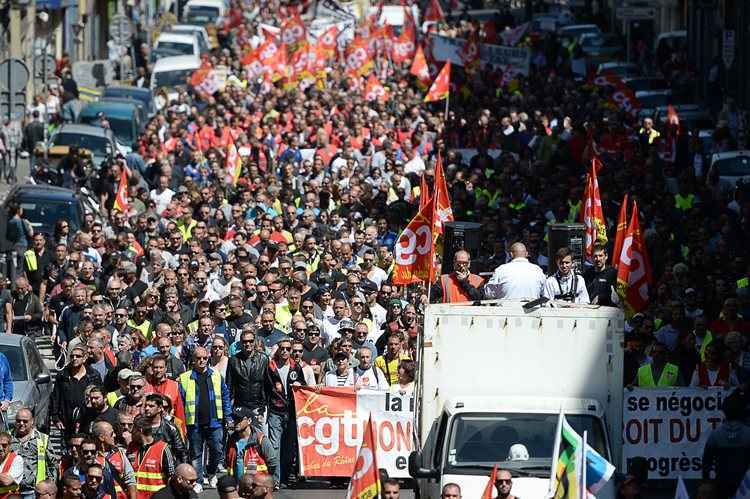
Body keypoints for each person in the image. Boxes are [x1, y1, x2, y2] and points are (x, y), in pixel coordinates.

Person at [177, 347, 231, 492]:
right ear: (192, 360)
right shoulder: (184, 378)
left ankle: (211, 473)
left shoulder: (216, 375)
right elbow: (180, 402)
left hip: (215, 421)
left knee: (217, 450)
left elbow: (225, 397)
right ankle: (198, 481)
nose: (201, 361)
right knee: (196, 453)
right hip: (194, 423)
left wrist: (228, 416)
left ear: (208, 358)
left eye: (204, 358)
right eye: (198, 358)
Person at [266, 337, 305, 486]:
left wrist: (299, 384)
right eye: (282, 348)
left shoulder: (296, 367)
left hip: (292, 412)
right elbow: (267, 388)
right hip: (276, 411)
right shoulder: (271, 366)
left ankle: (286, 477)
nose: (285, 351)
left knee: (289, 448)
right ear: (278, 349)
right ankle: (275, 479)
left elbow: (303, 387)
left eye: (288, 349)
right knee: (275, 446)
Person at [702, 393, 750, 498]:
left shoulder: (715, 435)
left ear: (724, 412)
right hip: (745, 485)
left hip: (722, 484)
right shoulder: (748, 434)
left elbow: (707, 463)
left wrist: (706, 480)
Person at [50, 345, 103, 440]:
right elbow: (56, 397)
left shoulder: (93, 375)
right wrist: (55, 417)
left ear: (85, 358)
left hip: (88, 420)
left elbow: (100, 395)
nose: (74, 358)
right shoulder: (62, 376)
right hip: (67, 421)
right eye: (72, 356)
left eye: (78, 356)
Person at [226, 329, 269, 429]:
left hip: (258, 407)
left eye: (250, 341)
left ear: (255, 342)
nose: (248, 344)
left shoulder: (264, 359)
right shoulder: (233, 360)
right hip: (240, 406)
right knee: (241, 439)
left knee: (261, 438)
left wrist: (264, 407)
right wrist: (229, 411)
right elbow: (229, 386)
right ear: (240, 343)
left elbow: (267, 386)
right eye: (245, 341)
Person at [9, 407, 57, 497]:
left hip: (34, 492)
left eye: (25, 421)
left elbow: (52, 465)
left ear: (32, 421)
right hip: (11, 492)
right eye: (18, 421)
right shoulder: (7, 439)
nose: (21, 424)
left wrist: (50, 487)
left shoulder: (43, 439)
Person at [225, 408, 278, 484]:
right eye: (234, 419)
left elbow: (272, 462)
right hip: (236, 488)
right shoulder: (231, 440)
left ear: (249, 421)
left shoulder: (260, 440)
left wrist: (265, 482)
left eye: (239, 419)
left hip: (256, 487)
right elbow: (228, 462)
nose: (236, 422)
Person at [127, 416, 175, 498]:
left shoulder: (163, 448)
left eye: (133, 429)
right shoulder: (131, 447)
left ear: (140, 430)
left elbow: (171, 477)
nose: (130, 432)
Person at [142, 394, 187, 464]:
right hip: (144, 466)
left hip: (166, 466)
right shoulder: (140, 426)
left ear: (160, 408)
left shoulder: (170, 428)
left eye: (151, 406)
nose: (147, 408)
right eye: (146, 406)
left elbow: (181, 452)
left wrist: (183, 468)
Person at [0, 431, 24, 497]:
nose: (0, 448)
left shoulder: (17, 459)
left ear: (9, 445)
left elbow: (6, 481)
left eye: (4, 445)